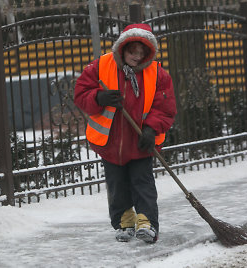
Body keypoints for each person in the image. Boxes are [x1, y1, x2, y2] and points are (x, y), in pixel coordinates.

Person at [74, 23, 176, 243]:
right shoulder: (101, 66)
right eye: (133, 52)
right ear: (123, 48)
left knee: (143, 183)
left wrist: (151, 129)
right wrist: (98, 98)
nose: (137, 57)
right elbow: (81, 92)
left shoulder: (158, 75)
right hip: (111, 143)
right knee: (117, 185)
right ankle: (124, 223)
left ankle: (147, 223)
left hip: (140, 142)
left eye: (142, 53)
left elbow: (165, 109)